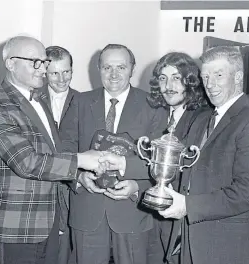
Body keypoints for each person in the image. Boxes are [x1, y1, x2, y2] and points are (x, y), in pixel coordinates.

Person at [0, 36, 104, 264]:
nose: (43, 69)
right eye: (35, 62)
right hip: (13, 228)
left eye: (44, 62)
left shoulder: (38, 101)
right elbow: (27, 162)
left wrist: (79, 177)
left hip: (46, 224)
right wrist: (82, 160)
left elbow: (51, 156)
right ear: (11, 64)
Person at [158, 46, 249, 264]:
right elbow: (182, 169)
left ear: (238, 77)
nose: (210, 84)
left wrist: (187, 206)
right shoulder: (203, 119)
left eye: (218, 75)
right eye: (205, 76)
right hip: (191, 245)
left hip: (231, 250)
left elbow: (247, 193)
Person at [59, 44, 168, 264]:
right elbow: (64, 148)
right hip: (87, 211)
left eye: (121, 67)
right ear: (98, 69)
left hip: (133, 212)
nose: (114, 74)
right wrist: (78, 177)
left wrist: (139, 187)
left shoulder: (154, 106)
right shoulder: (79, 102)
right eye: (107, 67)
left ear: (132, 69)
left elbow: (160, 160)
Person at [145, 52, 209, 264]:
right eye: (163, 78)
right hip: (150, 221)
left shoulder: (204, 117)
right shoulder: (154, 115)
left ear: (190, 81)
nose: (168, 85)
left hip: (183, 218)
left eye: (176, 78)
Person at [37, 45, 79, 264]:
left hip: (69, 192)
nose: (62, 79)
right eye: (54, 73)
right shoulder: (32, 100)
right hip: (38, 188)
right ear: (45, 72)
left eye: (67, 72)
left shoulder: (85, 102)